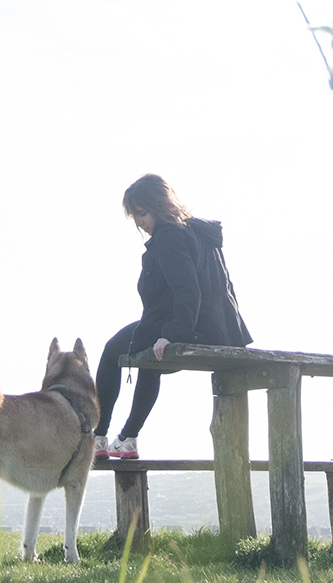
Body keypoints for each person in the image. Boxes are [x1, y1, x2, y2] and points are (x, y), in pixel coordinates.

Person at [94, 174, 252, 459]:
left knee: (111, 351)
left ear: (158, 205)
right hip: (224, 330)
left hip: (193, 327)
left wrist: (173, 333)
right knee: (147, 351)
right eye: (134, 217)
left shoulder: (169, 236)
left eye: (142, 213)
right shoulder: (200, 232)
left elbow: (188, 290)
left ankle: (99, 437)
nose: (140, 223)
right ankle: (128, 438)